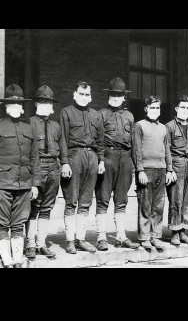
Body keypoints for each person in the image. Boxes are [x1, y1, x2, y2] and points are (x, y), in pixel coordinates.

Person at [60, 81, 105, 254]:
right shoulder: (66, 113)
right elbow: (63, 139)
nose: (84, 97)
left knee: (86, 201)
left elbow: (100, 141)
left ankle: (81, 239)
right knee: (71, 200)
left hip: (92, 157)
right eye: (81, 93)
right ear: (74, 94)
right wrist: (64, 162)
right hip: (74, 156)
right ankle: (70, 240)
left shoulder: (96, 115)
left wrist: (101, 160)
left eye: (87, 94)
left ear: (90, 96)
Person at [95, 77, 139, 250]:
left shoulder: (129, 115)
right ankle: (101, 237)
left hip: (126, 159)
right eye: (113, 94)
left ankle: (121, 236)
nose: (116, 97)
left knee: (122, 199)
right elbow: (97, 140)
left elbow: (134, 142)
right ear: (108, 95)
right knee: (103, 198)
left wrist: (135, 165)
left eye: (119, 95)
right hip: (107, 156)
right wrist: (100, 160)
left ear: (123, 97)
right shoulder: (101, 114)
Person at [0, 84, 40, 268]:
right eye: (11, 105)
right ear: (6, 107)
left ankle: (17, 260)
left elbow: (35, 158)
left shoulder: (29, 127)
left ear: (22, 106)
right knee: (2, 224)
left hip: (24, 183)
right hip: (3, 183)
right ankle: (6, 260)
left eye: (19, 105)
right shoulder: (0, 126)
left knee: (18, 223)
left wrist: (35, 184)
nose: (16, 108)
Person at [132, 96, 175, 249]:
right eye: (152, 108)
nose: (155, 111)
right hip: (146, 171)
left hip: (161, 170)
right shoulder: (139, 126)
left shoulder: (163, 128)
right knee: (145, 204)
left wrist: (169, 169)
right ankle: (144, 237)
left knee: (158, 205)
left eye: (157, 108)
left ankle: (155, 236)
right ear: (146, 109)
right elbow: (136, 150)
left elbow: (167, 150)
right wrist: (140, 170)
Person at [25, 85, 61, 260]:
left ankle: (41, 243)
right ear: (36, 104)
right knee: (34, 207)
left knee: (47, 208)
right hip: (37, 167)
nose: (46, 105)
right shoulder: (29, 123)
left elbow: (62, 148)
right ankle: (30, 244)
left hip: (54, 168)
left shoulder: (56, 126)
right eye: (42, 101)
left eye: (49, 102)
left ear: (53, 106)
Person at [166, 95, 188, 246]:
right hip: (177, 163)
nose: (186, 110)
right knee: (176, 199)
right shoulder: (169, 126)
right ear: (176, 109)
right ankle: (174, 233)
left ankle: (183, 232)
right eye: (183, 107)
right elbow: (166, 149)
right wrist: (170, 169)